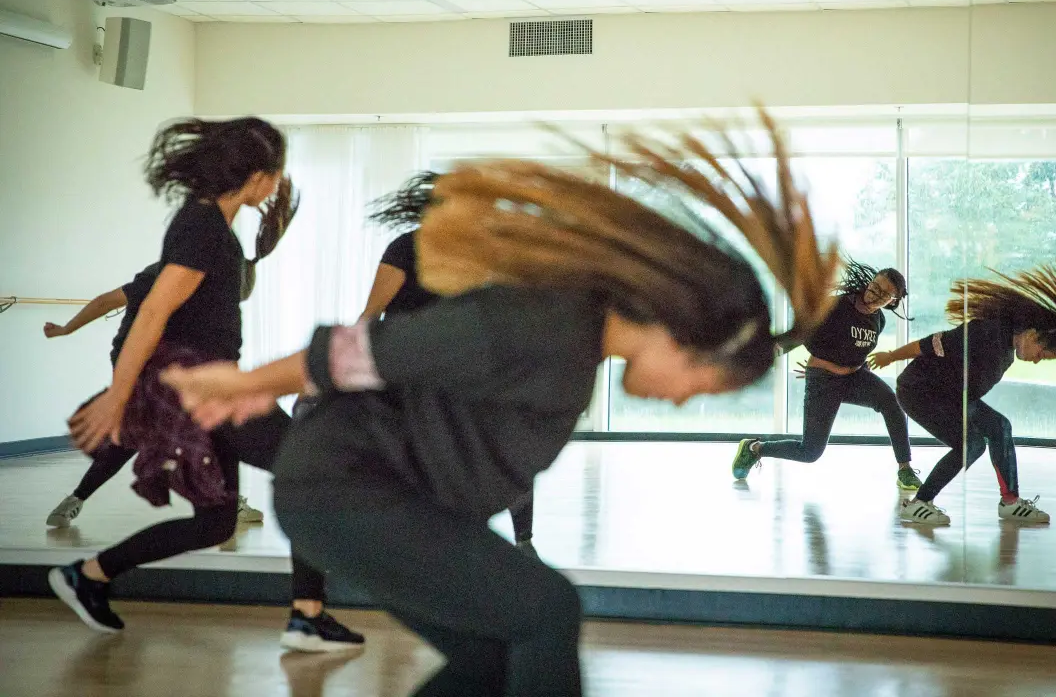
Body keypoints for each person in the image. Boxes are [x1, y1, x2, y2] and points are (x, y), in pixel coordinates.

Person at [162, 110, 841, 696]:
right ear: (679, 333)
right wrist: (245, 385)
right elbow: (368, 349)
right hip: (343, 489)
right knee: (548, 610)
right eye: (702, 385)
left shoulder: (577, 345)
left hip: (380, 497)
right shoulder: (546, 324)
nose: (685, 401)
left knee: (492, 653)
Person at [51, 117, 362, 653]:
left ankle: (90, 575)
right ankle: (307, 615)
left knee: (217, 523)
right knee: (315, 469)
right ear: (256, 175)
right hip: (208, 389)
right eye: (276, 174)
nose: (277, 184)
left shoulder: (213, 223)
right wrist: (117, 396)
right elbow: (153, 312)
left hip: (211, 386)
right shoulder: (201, 226)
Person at [360, 171, 538, 556]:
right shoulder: (405, 248)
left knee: (508, 444)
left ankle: (523, 540)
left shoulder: (482, 251)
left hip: (467, 366)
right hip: (412, 369)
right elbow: (370, 315)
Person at [43, 261, 264, 528]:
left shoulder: (185, 282)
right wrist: (66, 329)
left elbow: (109, 303)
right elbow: (107, 302)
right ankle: (228, 503)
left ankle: (75, 499)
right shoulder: (169, 279)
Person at [873, 259, 1056, 526]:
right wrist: (891, 356)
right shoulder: (985, 333)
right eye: (1041, 354)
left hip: (952, 397)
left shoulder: (1006, 352)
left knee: (1000, 426)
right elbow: (928, 344)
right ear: (1033, 335)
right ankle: (918, 504)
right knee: (970, 444)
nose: (1036, 361)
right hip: (918, 392)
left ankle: (1010, 503)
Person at [730, 259, 922, 491]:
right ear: (870, 283)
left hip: (854, 378)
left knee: (891, 401)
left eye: (884, 295)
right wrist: (765, 354)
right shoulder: (837, 306)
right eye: (875, 287)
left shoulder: (878, 320)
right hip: (824, 380)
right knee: (810, 452)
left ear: (892, 301)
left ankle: (905, 469)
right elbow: (802, 333)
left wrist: (865, 373)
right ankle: (754, 448)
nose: (875, 295)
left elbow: (856, 350)